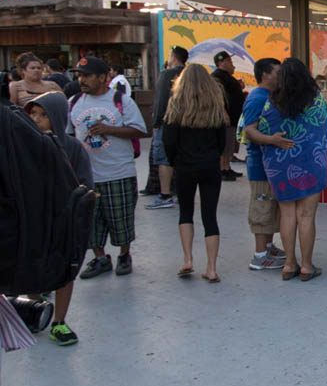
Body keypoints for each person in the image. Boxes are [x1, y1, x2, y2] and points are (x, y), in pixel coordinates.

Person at [24, 92, 94, 345]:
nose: (37, 119)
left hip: (63, 221)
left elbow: (85, 184)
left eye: (43, 115)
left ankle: (59, 322)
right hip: (32, 221)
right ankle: (34, 311)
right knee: (32, 268)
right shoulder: (22, 145)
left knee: (64, 272)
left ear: (57, 116)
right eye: (33, 114)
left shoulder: (73, 147)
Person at [67, 57, 146, 279]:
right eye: (79, 75)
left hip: (118, 171)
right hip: (87, 175)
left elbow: (139, 129)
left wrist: (109, 129)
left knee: (120, 219)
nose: (81, 79)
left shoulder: (121, 101)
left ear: (102, 77)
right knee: (91, 223)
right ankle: (100, 258)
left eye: (87, 75)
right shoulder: (73, 102)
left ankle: (124, 255)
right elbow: (69, 135)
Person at [258, 58, 327, 281]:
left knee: (287, 213)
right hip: (311, 164)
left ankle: (289, 264)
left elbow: (262, 130)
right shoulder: (317, 101)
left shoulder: (273, 101)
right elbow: (323, 132)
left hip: (280, 165)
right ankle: (307, 266)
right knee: (307, 215)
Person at [161, 64, 228, 283]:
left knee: (185, 212)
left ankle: (188, 259)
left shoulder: (175, 106)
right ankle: (211, 267)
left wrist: (175, 161)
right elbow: (221, 141)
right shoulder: (215, 106)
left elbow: (168, 141)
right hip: (209, 165)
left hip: (184, 165)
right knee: (210, 216)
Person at [241, 58, 293, 271]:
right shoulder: (256, 98)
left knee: (270, 206)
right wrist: (273, 141)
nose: (280, 76)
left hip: (272, 164)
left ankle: (269, 247)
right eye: (277, 72)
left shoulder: (269, 96)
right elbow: (249, 130)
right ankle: (260, 255)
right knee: (262, 207)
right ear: (264, 75)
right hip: (259, 164)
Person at [147, 46, 188, 209]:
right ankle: (179, 192)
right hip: (185, 123)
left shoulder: (167, 74)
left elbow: (161, 100)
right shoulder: (189, 74)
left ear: (173, 57)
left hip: (167, 122)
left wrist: (156, 122)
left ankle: (165, 195)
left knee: (164, 158)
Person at [211, 50, 246, 182]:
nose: (232, 64)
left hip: (233, 117)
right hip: (226, 118)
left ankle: (226, 167)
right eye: (229, 61)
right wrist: (223, 112)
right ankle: (222, 168)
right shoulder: (217, 76)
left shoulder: (227, 76)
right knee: (225, 144)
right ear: (221, 62)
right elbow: (217, 96)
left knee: (230, 144)